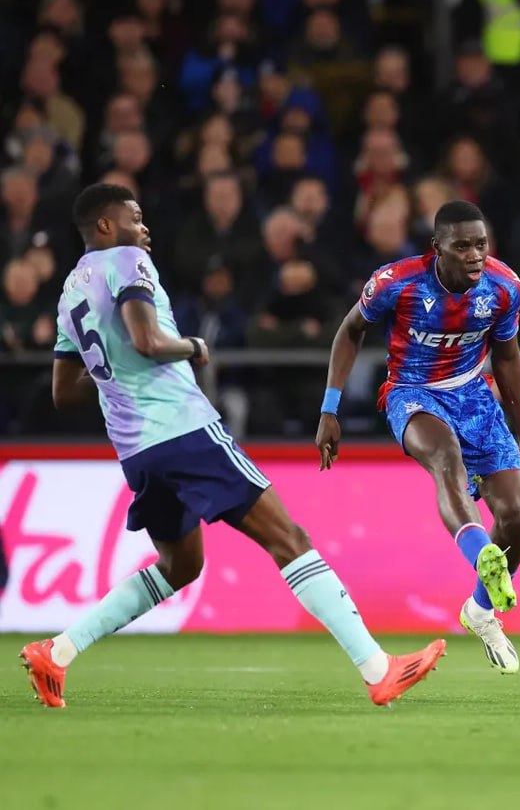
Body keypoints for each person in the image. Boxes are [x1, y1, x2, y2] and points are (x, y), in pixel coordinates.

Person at [19, 184, 446, 710]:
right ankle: (379, 669)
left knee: (181, 566)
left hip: (135, 449)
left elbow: (65, 391)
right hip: (183, 429)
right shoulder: (127, 260)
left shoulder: (68, 293)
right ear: (105, 227)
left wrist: (118, 371)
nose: (144, 227)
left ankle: (57, 652)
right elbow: (149, 341)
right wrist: (193, 347)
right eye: (134, 217)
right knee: (288, 537)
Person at [316, 200, 520, 676]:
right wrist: (330, 408)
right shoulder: (396, 283)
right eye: (462, 246)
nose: (475, 255)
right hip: (411, 393)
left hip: (474, 393)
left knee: (518, 514)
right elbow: (350, 331)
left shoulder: (504, 286)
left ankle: (479, 610)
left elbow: (508, 358)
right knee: (446, 457)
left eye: (481, 244)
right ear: (438, 249)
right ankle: (482, 556)